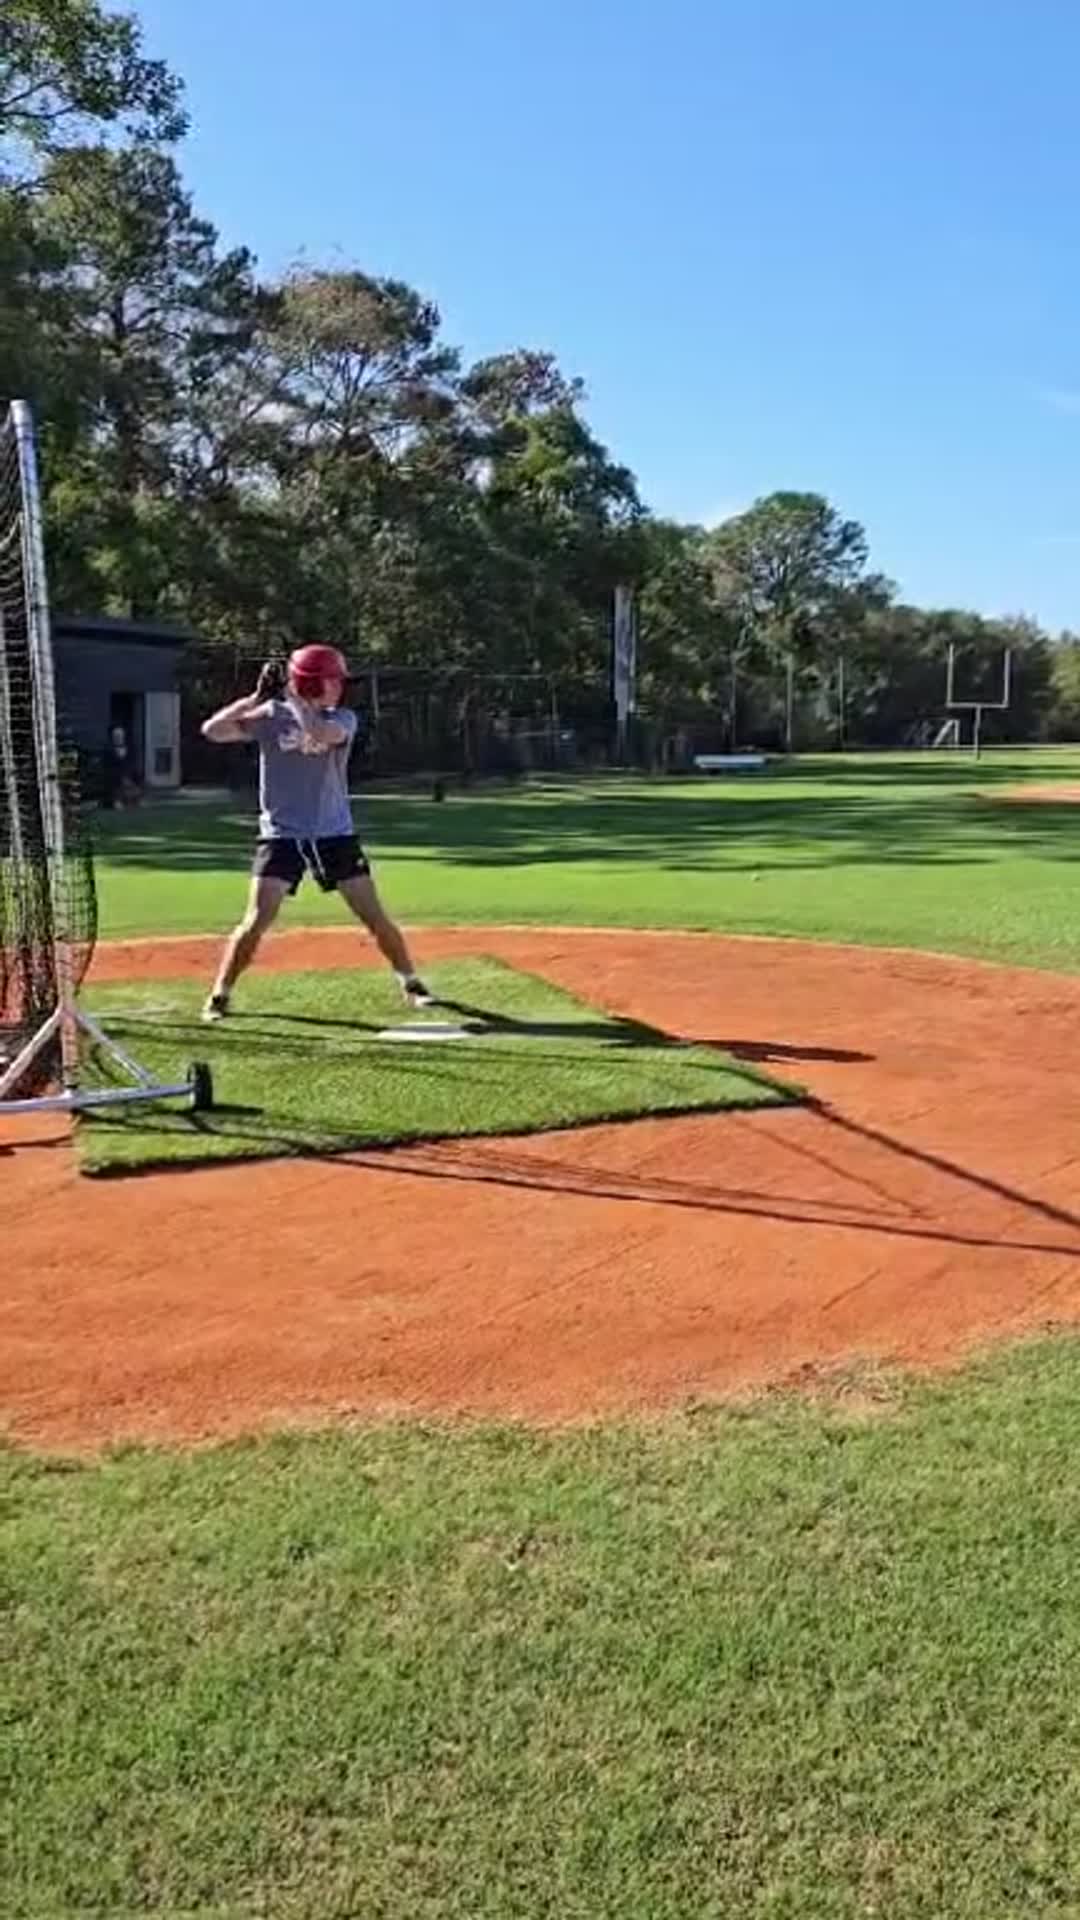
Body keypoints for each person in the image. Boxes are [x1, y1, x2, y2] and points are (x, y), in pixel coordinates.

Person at [199, 643, 432, 1023]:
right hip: (281, 834)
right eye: (332, 680)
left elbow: (321, 734)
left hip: (334, 833)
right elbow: (213, 730)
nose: (340, 686)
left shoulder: (343, 719)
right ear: (312, 682)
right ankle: (220, 994)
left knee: (374, 915)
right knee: (256, 919)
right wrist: (256, 698)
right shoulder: (270, 715)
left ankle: (411, 981)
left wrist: (293, 699)